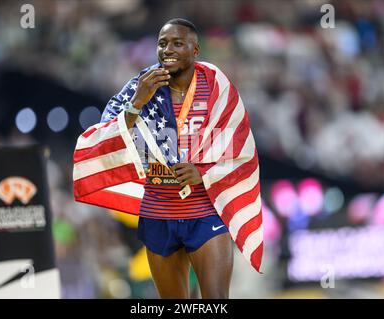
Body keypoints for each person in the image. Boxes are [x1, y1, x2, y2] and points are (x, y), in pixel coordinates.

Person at [73, 18, 263, 299]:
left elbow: (239, 149)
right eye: (162, 43)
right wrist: (137, 102)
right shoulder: (142, 85)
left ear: (195, 49)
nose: (168, 49)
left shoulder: (215, 85)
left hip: (204, 208)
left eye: (177, 43)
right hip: (158, 208)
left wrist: (203, 173)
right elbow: (105, 137)